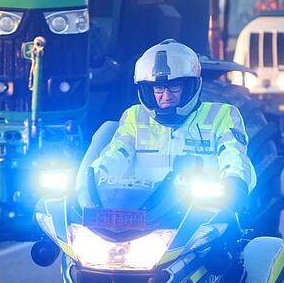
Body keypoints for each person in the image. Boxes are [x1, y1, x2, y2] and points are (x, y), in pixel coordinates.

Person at [83, 40, 256, 210]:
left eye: (174, 87)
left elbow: (234, 155)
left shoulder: (222, 115)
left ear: (190, 86)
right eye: (158, 89)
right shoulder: (135, 116)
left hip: (201, 212)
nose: (166, 96)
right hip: (144, 211)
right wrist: (93, 180)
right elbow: (117, 153)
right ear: (147, 91)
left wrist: (235, 183)